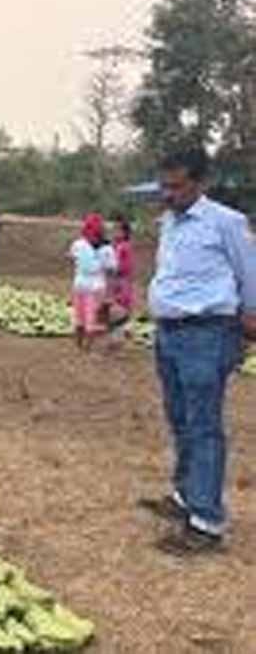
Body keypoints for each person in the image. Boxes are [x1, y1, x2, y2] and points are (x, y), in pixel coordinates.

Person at [139, 149, 255, 556]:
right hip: (170, 333)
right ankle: (186, 495)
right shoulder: (169, 222)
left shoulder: (226, 222)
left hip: (207, 333)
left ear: (201, 183)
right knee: (180, 418)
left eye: (176, 186)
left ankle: (206, 522)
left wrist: (249, 324)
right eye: (163, 186)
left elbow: (250, 274)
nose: (167, 194)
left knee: (203, 425)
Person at [69, 213, 110, 351]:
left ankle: (81, 345)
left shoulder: (78, 244)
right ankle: (85, 346)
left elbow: (71, 258)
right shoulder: (106, 248)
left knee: (80, 315)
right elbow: (111, 268)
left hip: (82, 284)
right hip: (94, 285)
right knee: (89, 315)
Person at [105, 216, 136, 347]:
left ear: (125, 233)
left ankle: (117, 340)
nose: (114, 232)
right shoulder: (115, 246)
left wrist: (111, 268)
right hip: (115, 283)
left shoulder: (124, 247)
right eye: (113, 229)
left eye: (117, 230)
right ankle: (115, 337)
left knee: (118, 309)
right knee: (113, 309)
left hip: (120, 283)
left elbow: (124, 267)